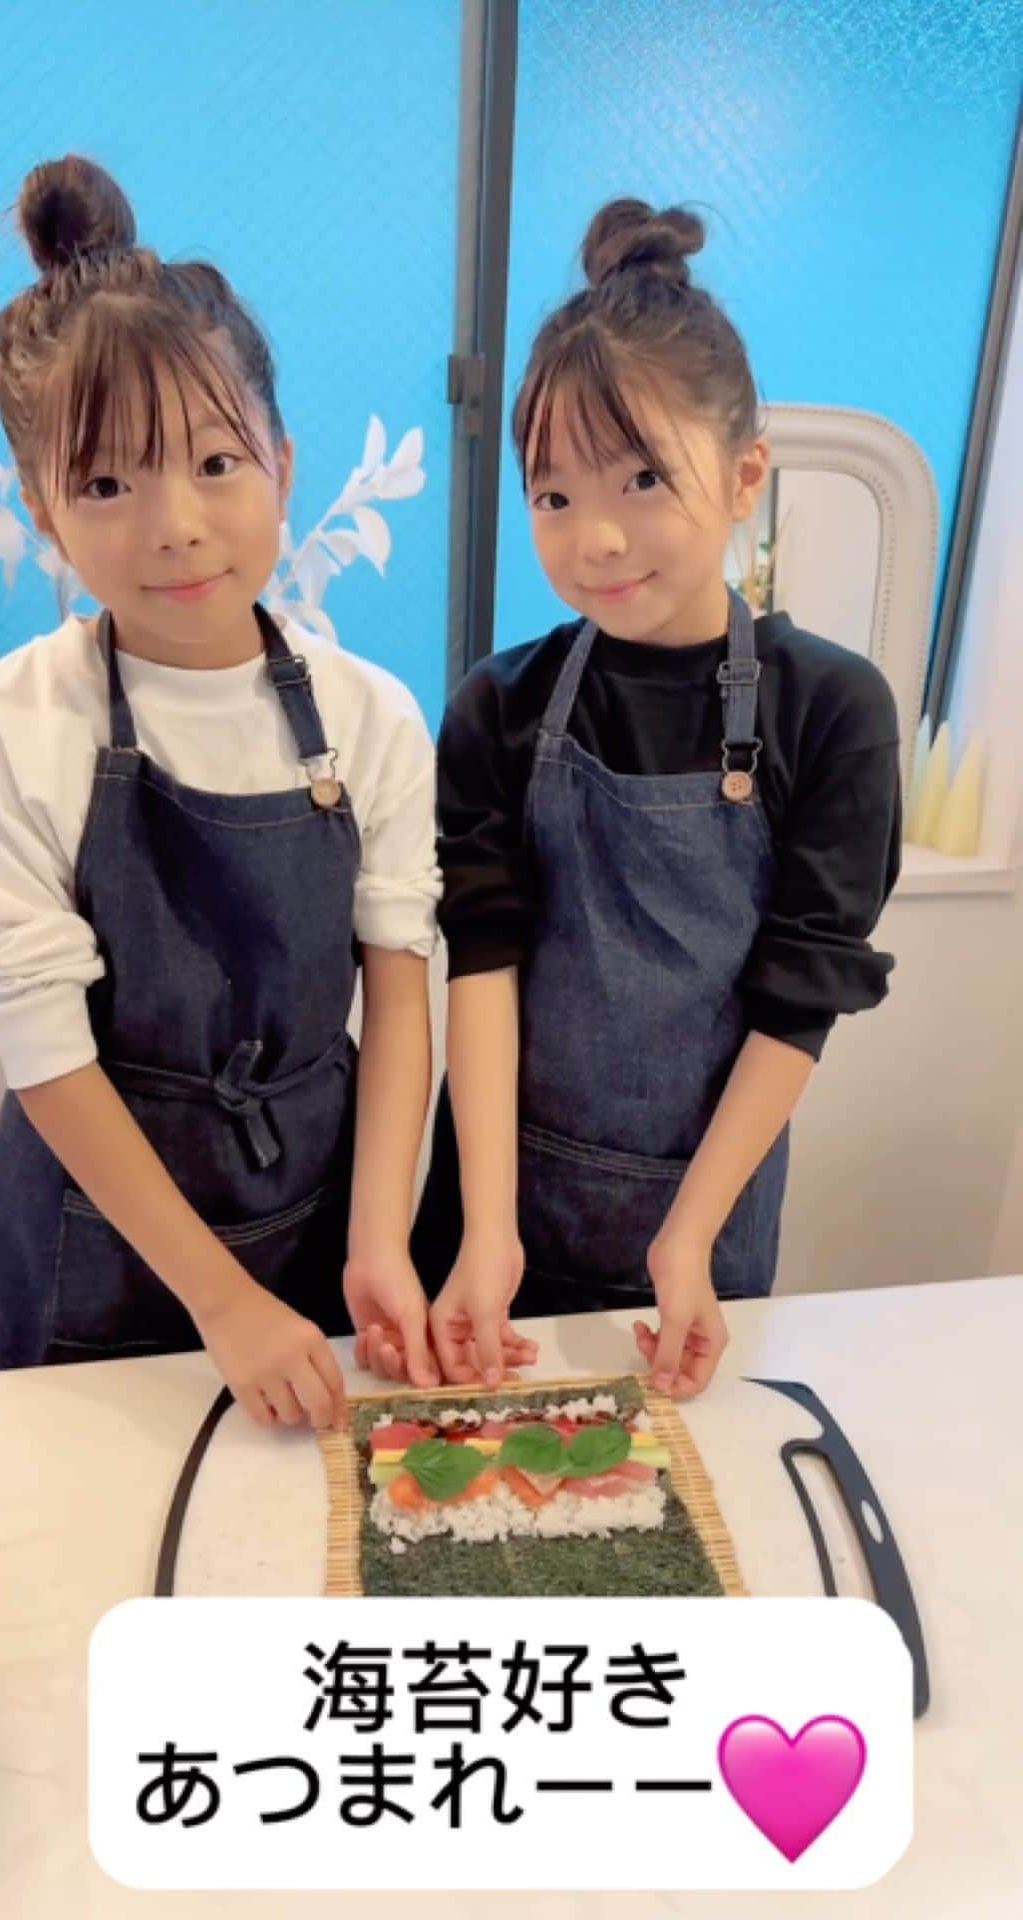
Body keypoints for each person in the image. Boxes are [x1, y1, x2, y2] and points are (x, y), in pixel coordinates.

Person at [0, 154, 458, 1424]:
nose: (173, 523)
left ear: (281, 463)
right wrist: (219, 1301)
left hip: (326, 1215)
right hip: (97, 1252)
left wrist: (383, 1238)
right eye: (109, 483)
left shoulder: (371, 716)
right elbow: (46, 1055)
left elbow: (397, 994)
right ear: (45, 516)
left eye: (217, 464)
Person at [414, 197, 900, 1399]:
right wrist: (486, 1227)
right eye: (554, 495)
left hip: (703, 1224)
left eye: (641, 479)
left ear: (744, 478)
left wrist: (683, 1238)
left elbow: (800, 998)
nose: (598, 540)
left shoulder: (831, 711)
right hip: (496, 1209)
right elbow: (482, 962)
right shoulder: (499, 704)